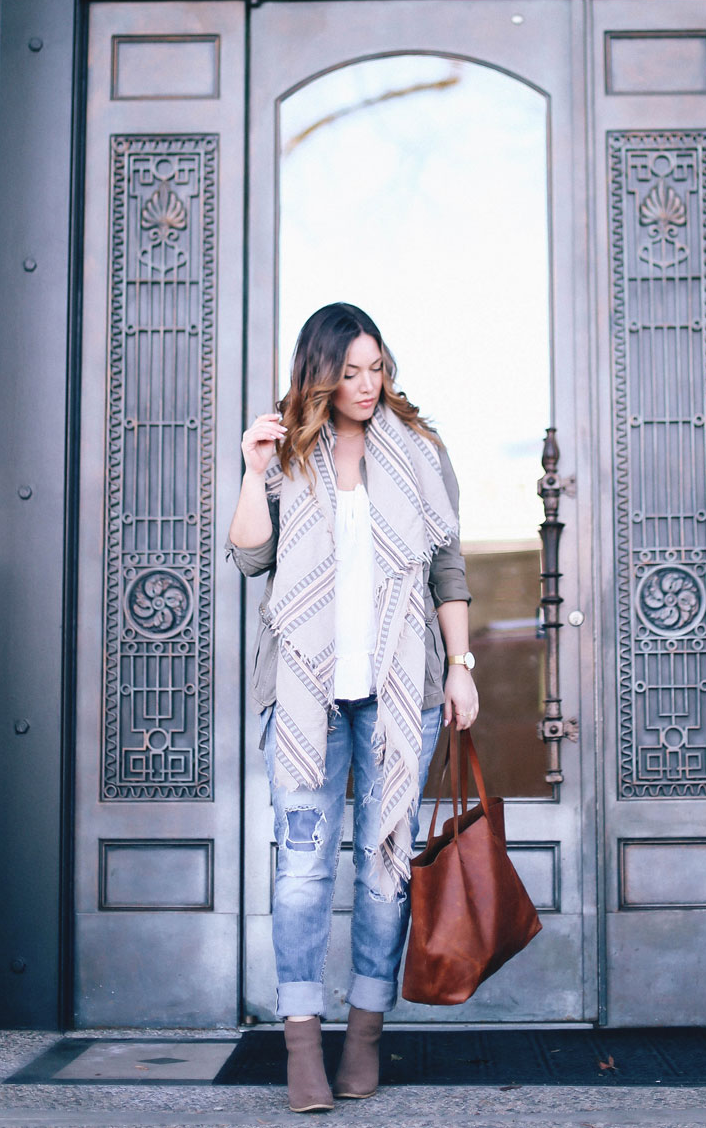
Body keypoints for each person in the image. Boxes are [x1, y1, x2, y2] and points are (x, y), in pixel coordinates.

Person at [226, 302, 478, 1113]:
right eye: (351, 371)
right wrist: (248, 467)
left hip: (400, 689)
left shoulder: (419, 454)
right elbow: (250, 558)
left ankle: (364, 1034)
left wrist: (462, 665)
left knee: (384, 874)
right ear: (321, 372)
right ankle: (303, 1040)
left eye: (378, 369)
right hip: (305, 692)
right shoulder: (286, 454)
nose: (367, 386)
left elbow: (447, 570)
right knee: (300, 872)